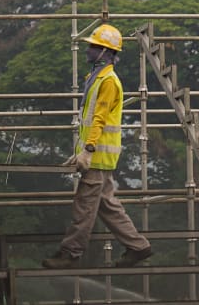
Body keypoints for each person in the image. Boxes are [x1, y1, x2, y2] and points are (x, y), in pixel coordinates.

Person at [42, 24, 152, 269]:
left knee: (84, 206)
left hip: (98, 156)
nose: (89, 50)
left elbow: (100, 118)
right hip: (98, 155)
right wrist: (81, 150)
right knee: (107, 205)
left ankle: (70, 253)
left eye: (94, 46)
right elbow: (90, 120)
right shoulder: (97, 78)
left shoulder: (108, 81)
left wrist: (88, 150)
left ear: (106, 51)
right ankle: (138, 246)